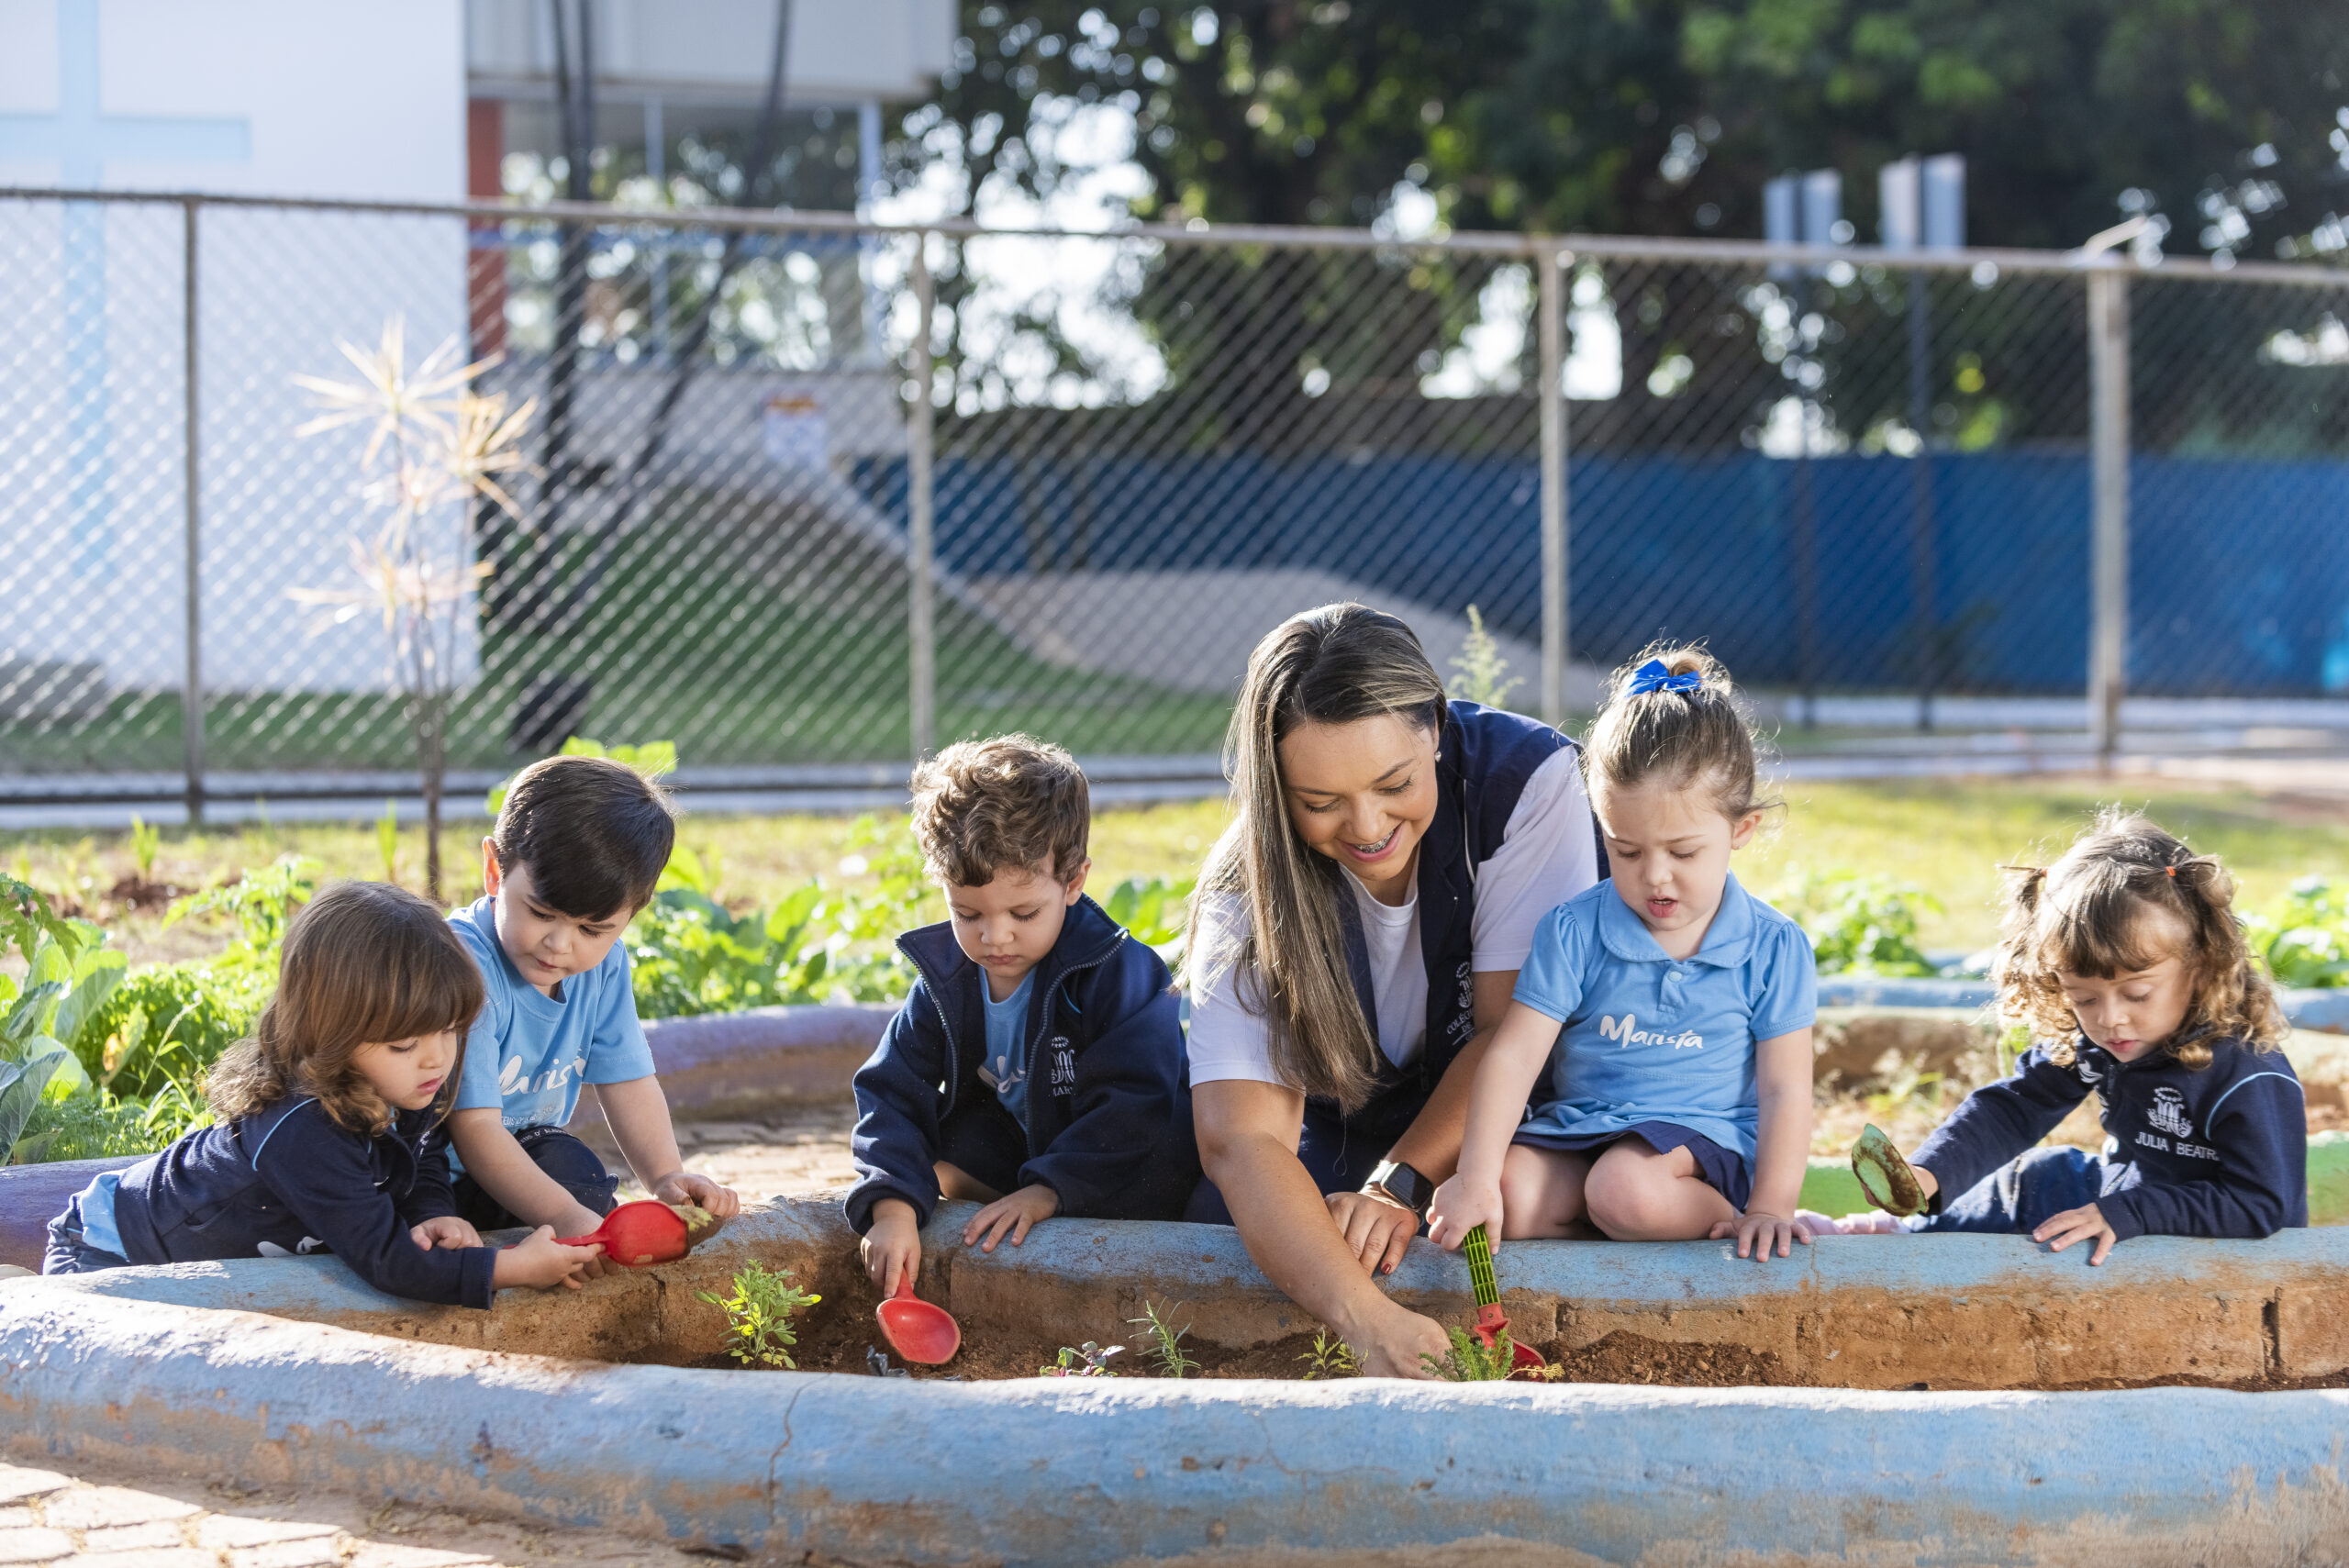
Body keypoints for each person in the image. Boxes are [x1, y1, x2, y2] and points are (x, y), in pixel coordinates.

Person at [1184, 604, 1602, 1378]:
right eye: (1320, 803)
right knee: (1225, 1221)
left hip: (1516, 1108)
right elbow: (1239, 1138)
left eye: (1395, 783)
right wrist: (1365, 1317)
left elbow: (1515, 1034)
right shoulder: (1246, 882)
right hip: (1348, 1126)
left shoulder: (1528, 784)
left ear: (1435, 728)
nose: (1368, 825)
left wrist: (1400, 1182)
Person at [1427, 648, 1820, 1263]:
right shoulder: (1574, 928)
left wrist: (1773, 1205)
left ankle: (1722, 1219)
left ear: (1740, 831)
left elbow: (1785, 1091)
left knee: (1625, 1188)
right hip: (1581, 1129)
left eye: (1684, 853)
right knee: (1507, 1195)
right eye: (1627, 851)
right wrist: (1474, 1174)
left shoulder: (1773, 946)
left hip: (1698, 1146)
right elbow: (1513, 1055)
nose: (1656, 877)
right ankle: (1619, 1227)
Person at [41, 882, 601, 1303]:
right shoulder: (302, 1126)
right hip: (108, 1254)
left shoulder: (412, 1077)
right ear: (329, 1038)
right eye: (403, 1044)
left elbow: (423, 1152)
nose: (436, 1057)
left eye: (451, 1030)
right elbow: (387, 1262)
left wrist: (431, 1213)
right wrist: (508, 1268)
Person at [1815, 811, 2306, 1261]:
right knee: (2040, 1178)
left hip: (2208, 1239)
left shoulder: (2248, 1075)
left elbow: (2263, 1205)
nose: (2110, 1019)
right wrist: (1930, 1172)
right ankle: (1894, 1229)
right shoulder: (2100, 1041)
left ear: (2200, 968)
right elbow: (2016, 1107)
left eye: (2136, 994)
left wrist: (2133, 1213)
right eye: (2084, 997)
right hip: (2123, 1193)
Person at [849, 736, 1196, 1296]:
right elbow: (891, 1089)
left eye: (1024, 912)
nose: (995, 936)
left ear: (1074, 881)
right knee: (929, 1155)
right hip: (1027, 1149)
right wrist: (890, 1207)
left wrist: (1050, 1190)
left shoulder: (1120, 970)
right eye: (967, 913)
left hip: (1134, 1170)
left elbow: (1136, 1102)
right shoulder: (947, 979)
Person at [445, 754, 739, 1264]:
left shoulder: (602, 967)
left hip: (514, 1159)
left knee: (573, 1170)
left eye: (592, 930)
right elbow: (474, 1131)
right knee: (572, 1198)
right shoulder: (461, 964)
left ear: (632, 912)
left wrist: (666, 1176)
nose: (560, 944)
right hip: (423, 1166)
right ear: (495, 870)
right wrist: (567, 1219)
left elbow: (628, 1080)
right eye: (541, 913)